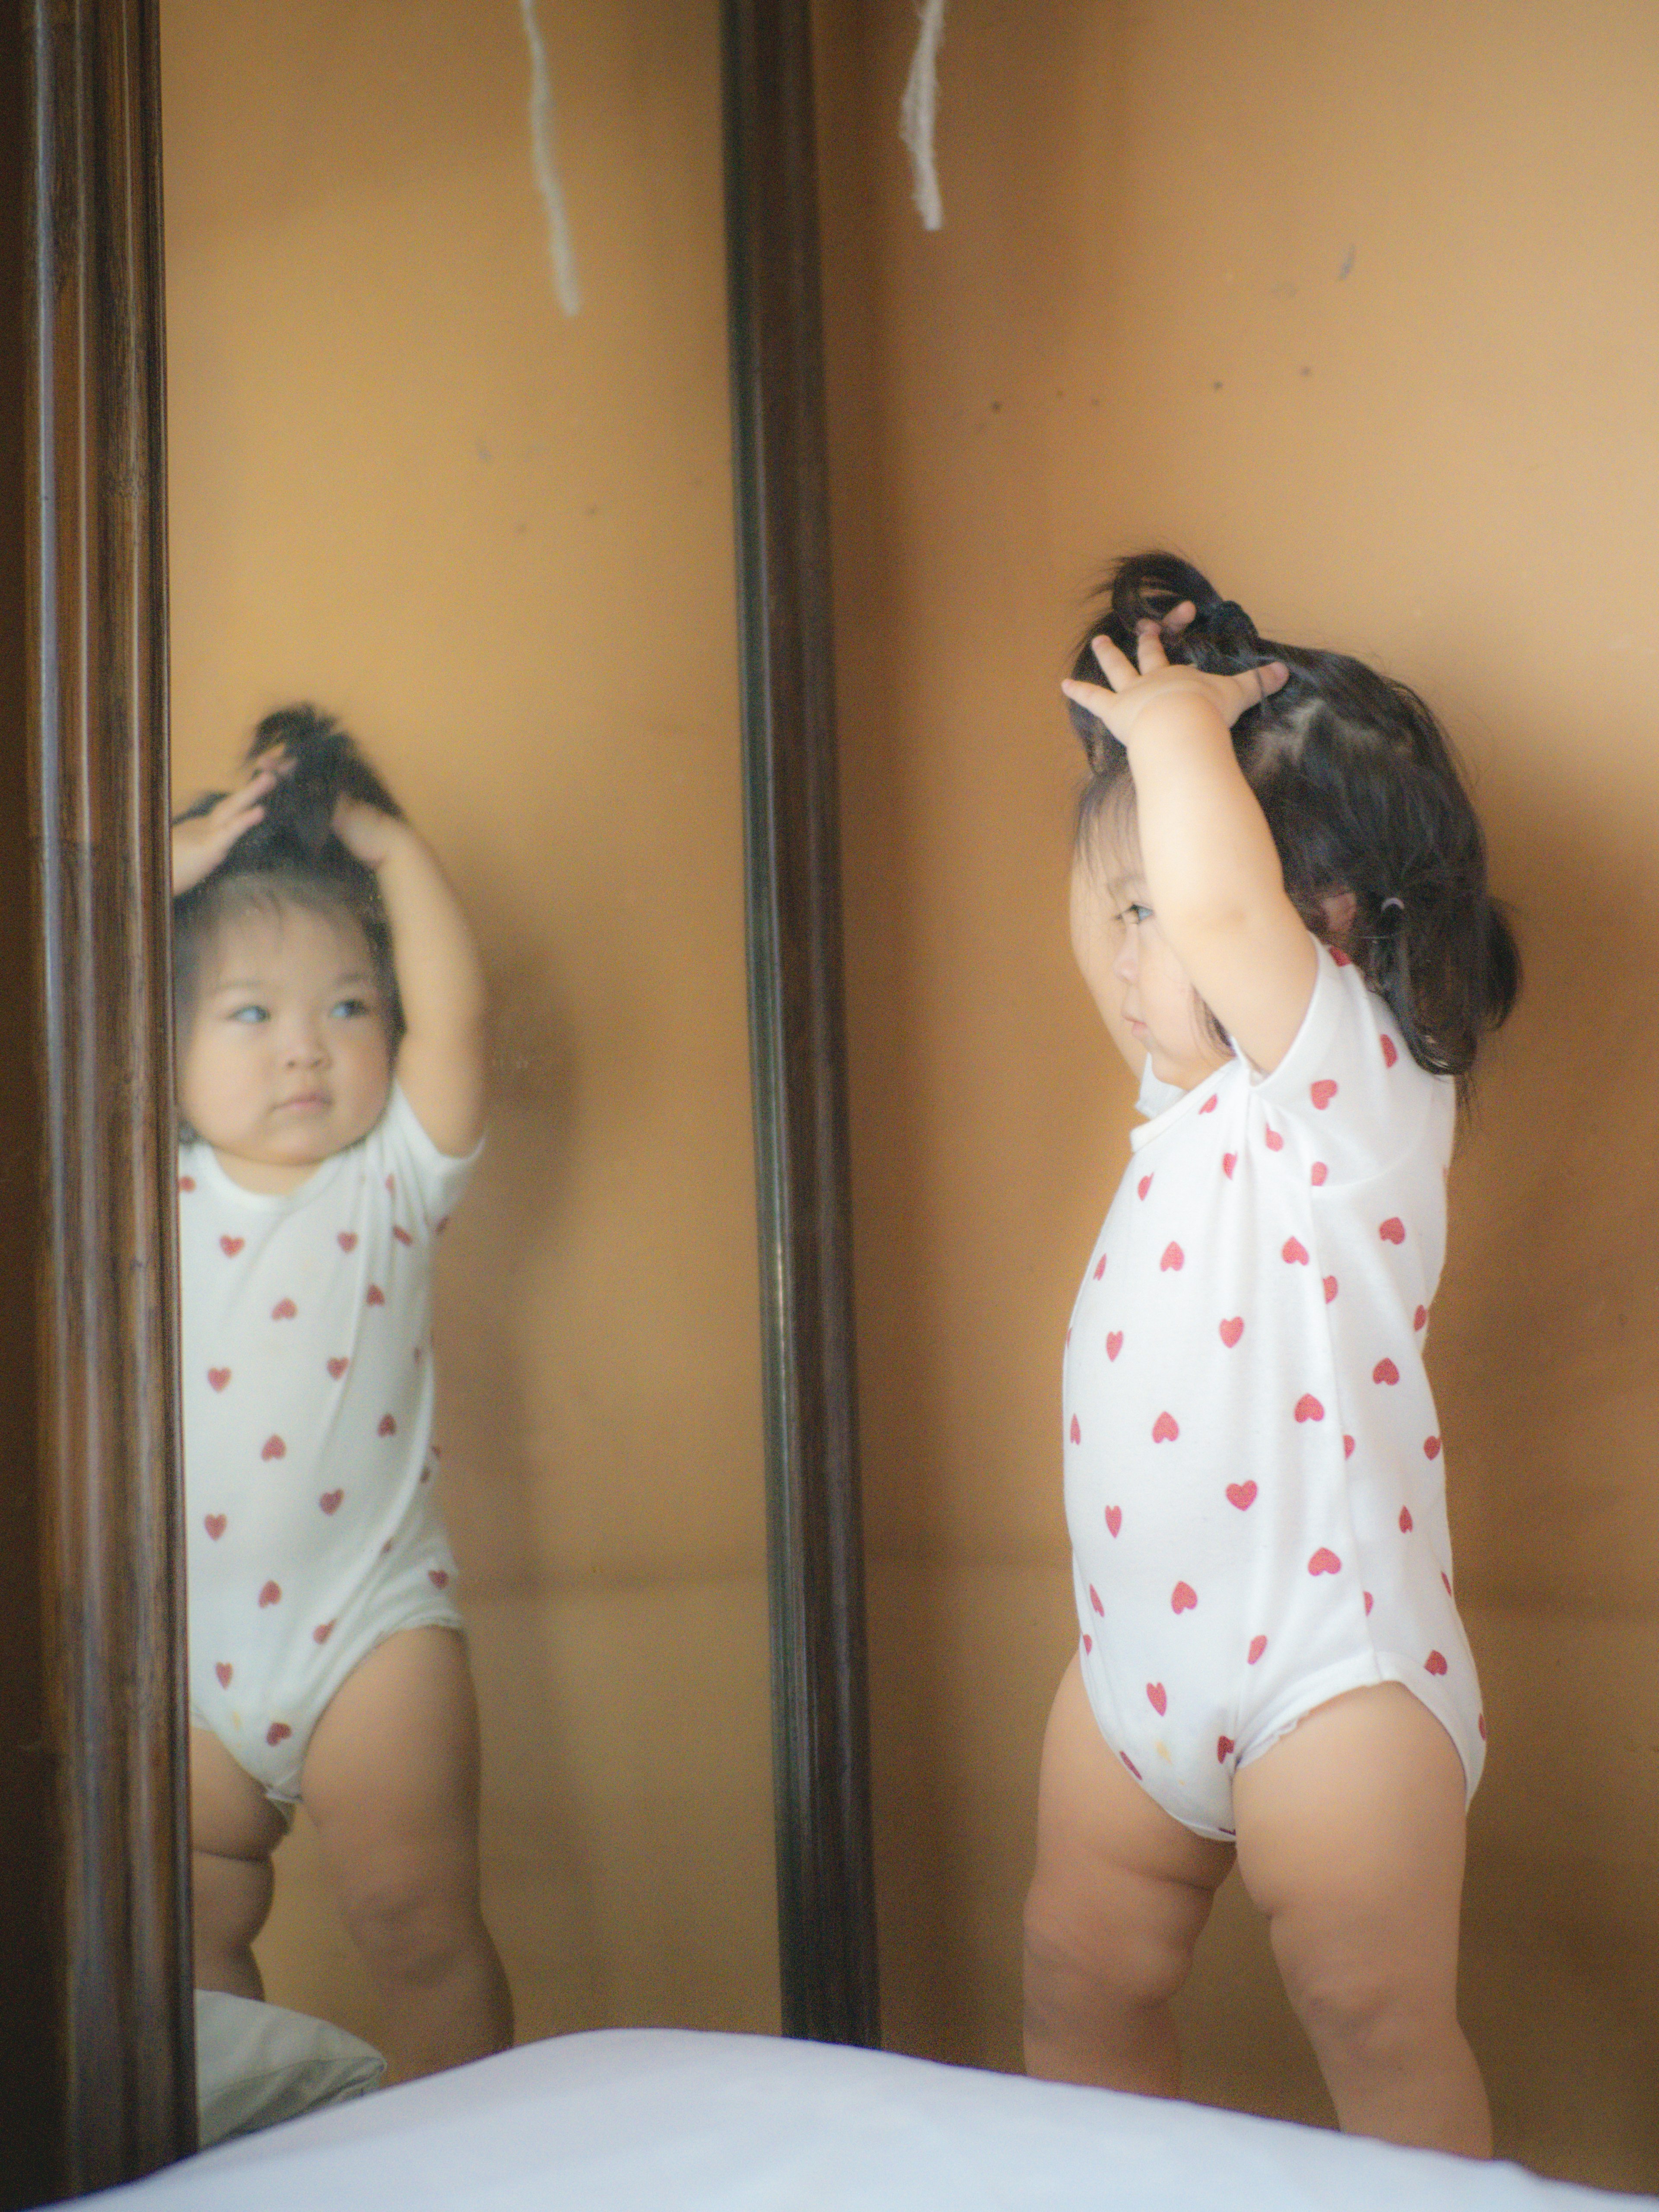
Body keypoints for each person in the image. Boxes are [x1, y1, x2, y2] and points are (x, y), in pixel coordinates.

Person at [1023, 554, 1519, 2156]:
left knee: (1376, 2026)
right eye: (1116, 911)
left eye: (1146, 912)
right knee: (1073, 1985)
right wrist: (1137, 749)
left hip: (1333, 1676)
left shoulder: (1358, 1093)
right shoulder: (1181, 1110)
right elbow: (1180, 913)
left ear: (1325, 922)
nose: (1121, 954)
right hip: (1133, 1680)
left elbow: (1224, 911)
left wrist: (1181, 741)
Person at [172, 706, 513, 2080]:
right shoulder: (140, 1190)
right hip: (179, 1657)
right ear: (165, 1044)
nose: (306, 1049)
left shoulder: (397, 1179)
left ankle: (467, 2166)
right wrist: (166, 867)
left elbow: (463, 1007)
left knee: (415, 1920)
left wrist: (380, 836)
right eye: (251, 1014)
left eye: (346, 1008)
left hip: (368, 1627)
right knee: (189, 1926)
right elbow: (50, 979)